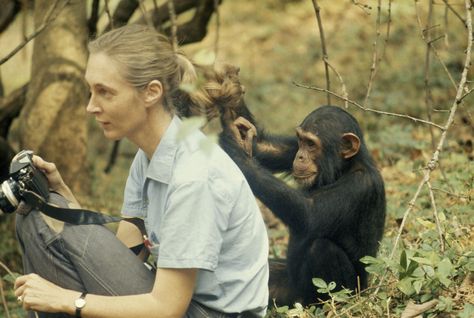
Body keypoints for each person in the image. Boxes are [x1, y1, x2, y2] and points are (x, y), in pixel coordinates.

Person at [13, 24, 269, 318]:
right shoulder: (149, 155)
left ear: (151, 92)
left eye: (104, 92)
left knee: (43, 222)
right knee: (40, 211)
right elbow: (126, 257)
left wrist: (68, 300)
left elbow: (166, 308)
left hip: (207, 314)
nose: (90, 107)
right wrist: (66, 203)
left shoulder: (194, 176)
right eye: (90, 91)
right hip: (181, 306)